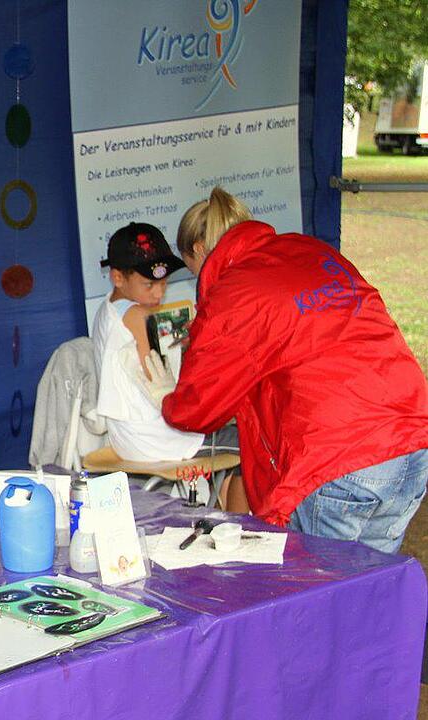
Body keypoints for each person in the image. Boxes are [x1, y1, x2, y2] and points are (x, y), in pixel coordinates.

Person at [142, 187, 428, 552]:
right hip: (409, 439)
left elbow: (198, 408)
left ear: (199, 252)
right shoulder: (311, 251)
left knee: (321, 596)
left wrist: (169, 397)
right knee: (370, 592)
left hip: (337, 457)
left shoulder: (234, 290)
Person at [92, 222, 241, 506]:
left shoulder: (106, 309)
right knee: (255, 439)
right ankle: (245, 527)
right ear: (117, 277)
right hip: (157, 438)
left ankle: (228, 516)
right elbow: (156, 381)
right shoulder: (136, 315)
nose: (159, 294)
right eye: (149, 284)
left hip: (127, 437)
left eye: (163, 283)